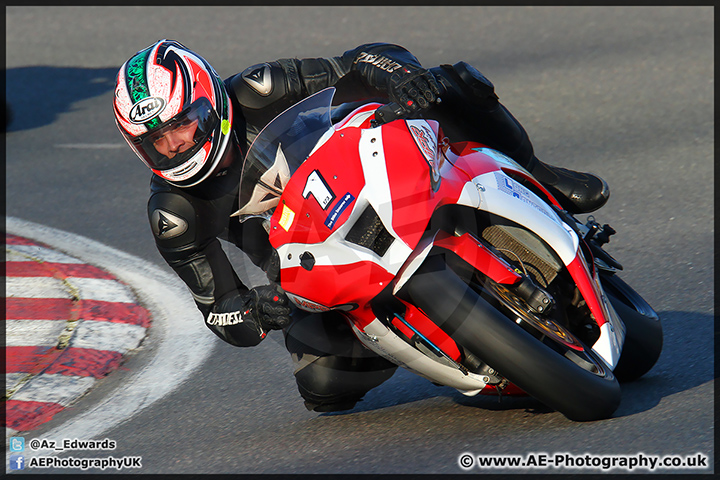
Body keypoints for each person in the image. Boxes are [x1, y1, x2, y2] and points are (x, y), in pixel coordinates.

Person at [113, 40, 609, 412]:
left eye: (183, 124)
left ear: (210, 100)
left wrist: (402, 78)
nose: (176, 145)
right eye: (158, 141)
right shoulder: (173, 215)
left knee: (452, 81)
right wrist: (256, 312)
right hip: (312, 269)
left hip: (377, 181)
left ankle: (542, 177)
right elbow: (221, 311)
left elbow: (363, 60)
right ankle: (429, 343)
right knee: (323, 389)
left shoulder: (261, 88)